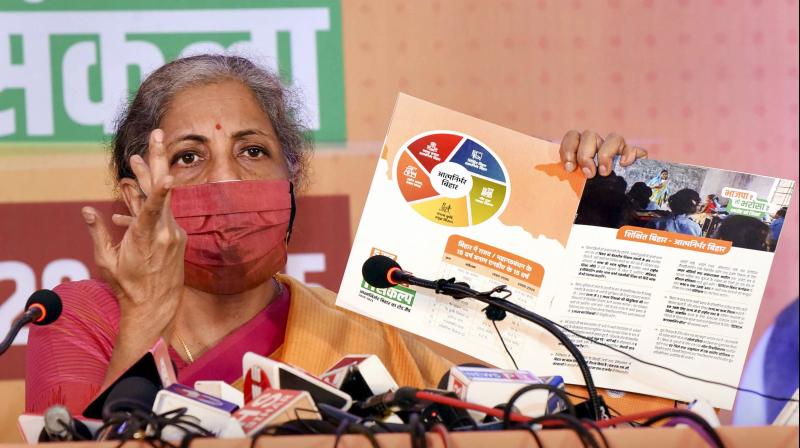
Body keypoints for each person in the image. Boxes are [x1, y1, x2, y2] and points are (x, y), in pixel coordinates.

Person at [25, 55, 650, 415]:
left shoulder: (369, 327)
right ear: (136, 195)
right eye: (188, 157)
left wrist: (603, 235)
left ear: (291, 180)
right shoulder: (78, 315)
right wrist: (147, 312)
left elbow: (600, 424)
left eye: (252, 150)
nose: (226, 179)